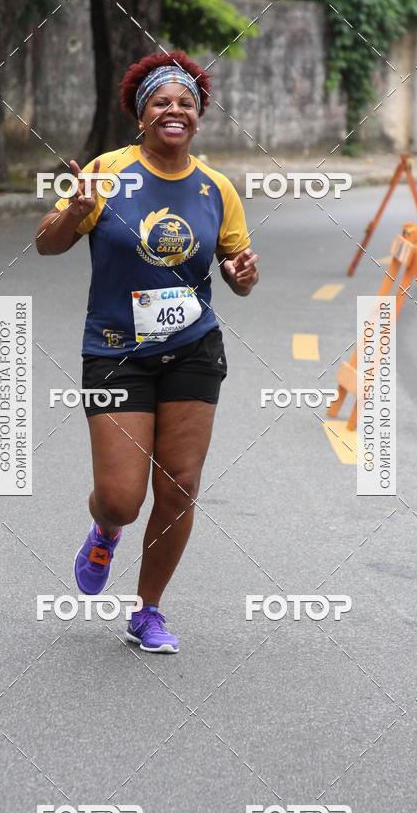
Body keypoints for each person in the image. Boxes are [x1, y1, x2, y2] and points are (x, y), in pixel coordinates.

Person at [36, 50, 259, 652]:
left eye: (186, 102)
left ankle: (148, 610)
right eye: (162, 100)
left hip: (192, 348)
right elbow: (46, 245)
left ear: (199, 116)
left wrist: (241, 272)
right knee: (122, 496)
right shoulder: (107, 172)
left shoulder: (217, 187)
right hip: (115, 351)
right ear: (142, 114)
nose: (175, 109)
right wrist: (74, 213)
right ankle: (105, 529)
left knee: (180, 485)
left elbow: (237, 274)